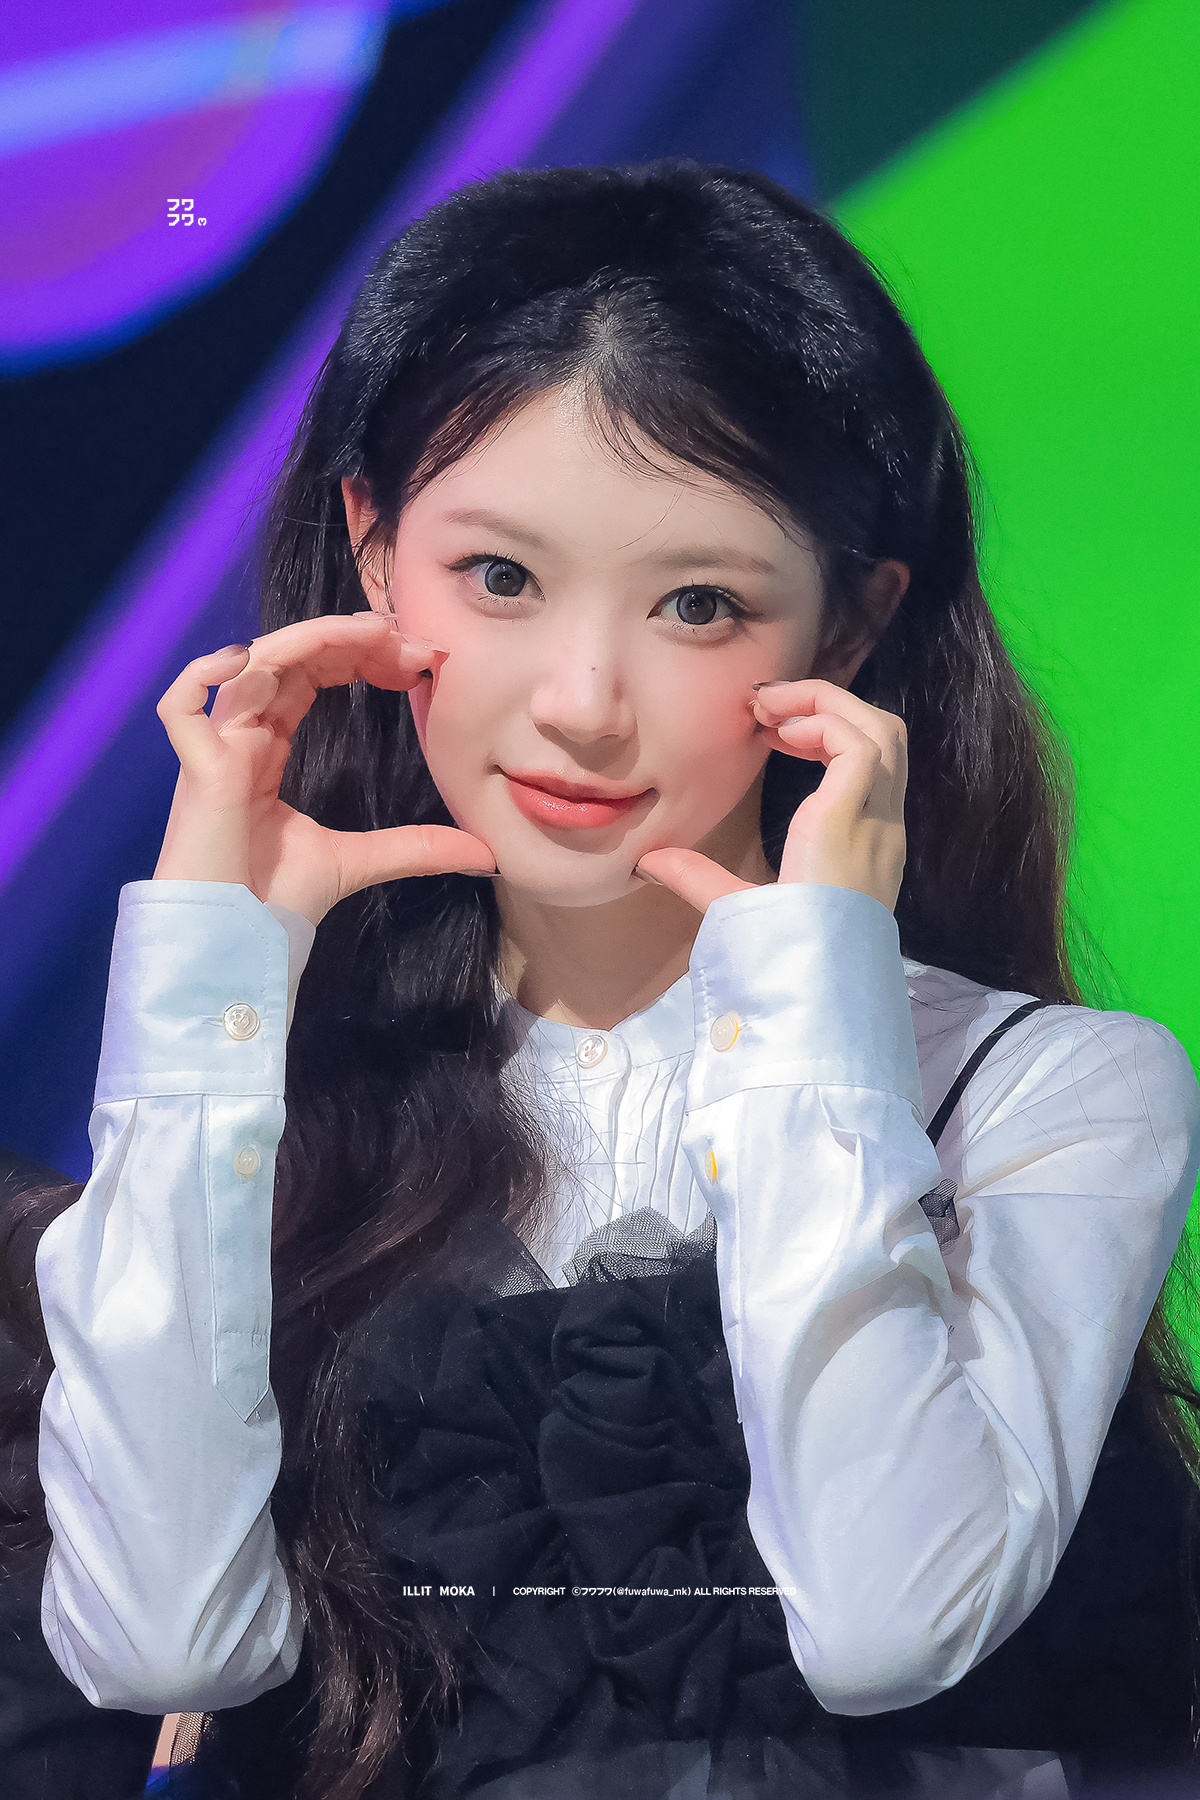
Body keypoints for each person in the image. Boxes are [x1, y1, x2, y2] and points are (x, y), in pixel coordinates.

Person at [4, 162, 1199, 1800]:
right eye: (500, 578)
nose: (581, 701)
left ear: (848, 633)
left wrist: (813, 996)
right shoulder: (261, 1102)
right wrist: (209, 984)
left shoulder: (1044, 1093)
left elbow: (884, 1622)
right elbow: (162, 1646)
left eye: (699, 604)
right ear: (373, 555)